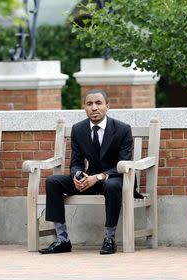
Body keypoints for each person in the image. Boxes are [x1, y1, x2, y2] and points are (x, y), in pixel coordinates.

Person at [39, 90, 138, 255]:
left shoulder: (122, 129)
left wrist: (99, 177)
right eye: (89, 104)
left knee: (112, 186)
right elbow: (76, 162)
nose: (94, 108)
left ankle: (109, 239)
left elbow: (123, 163)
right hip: (89, 178)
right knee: (53, 181)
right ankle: (62, 239)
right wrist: (78, 176)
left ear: (107, 106)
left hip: (116, 178)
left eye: (99, 103)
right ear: (84, 107)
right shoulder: (78, 129)